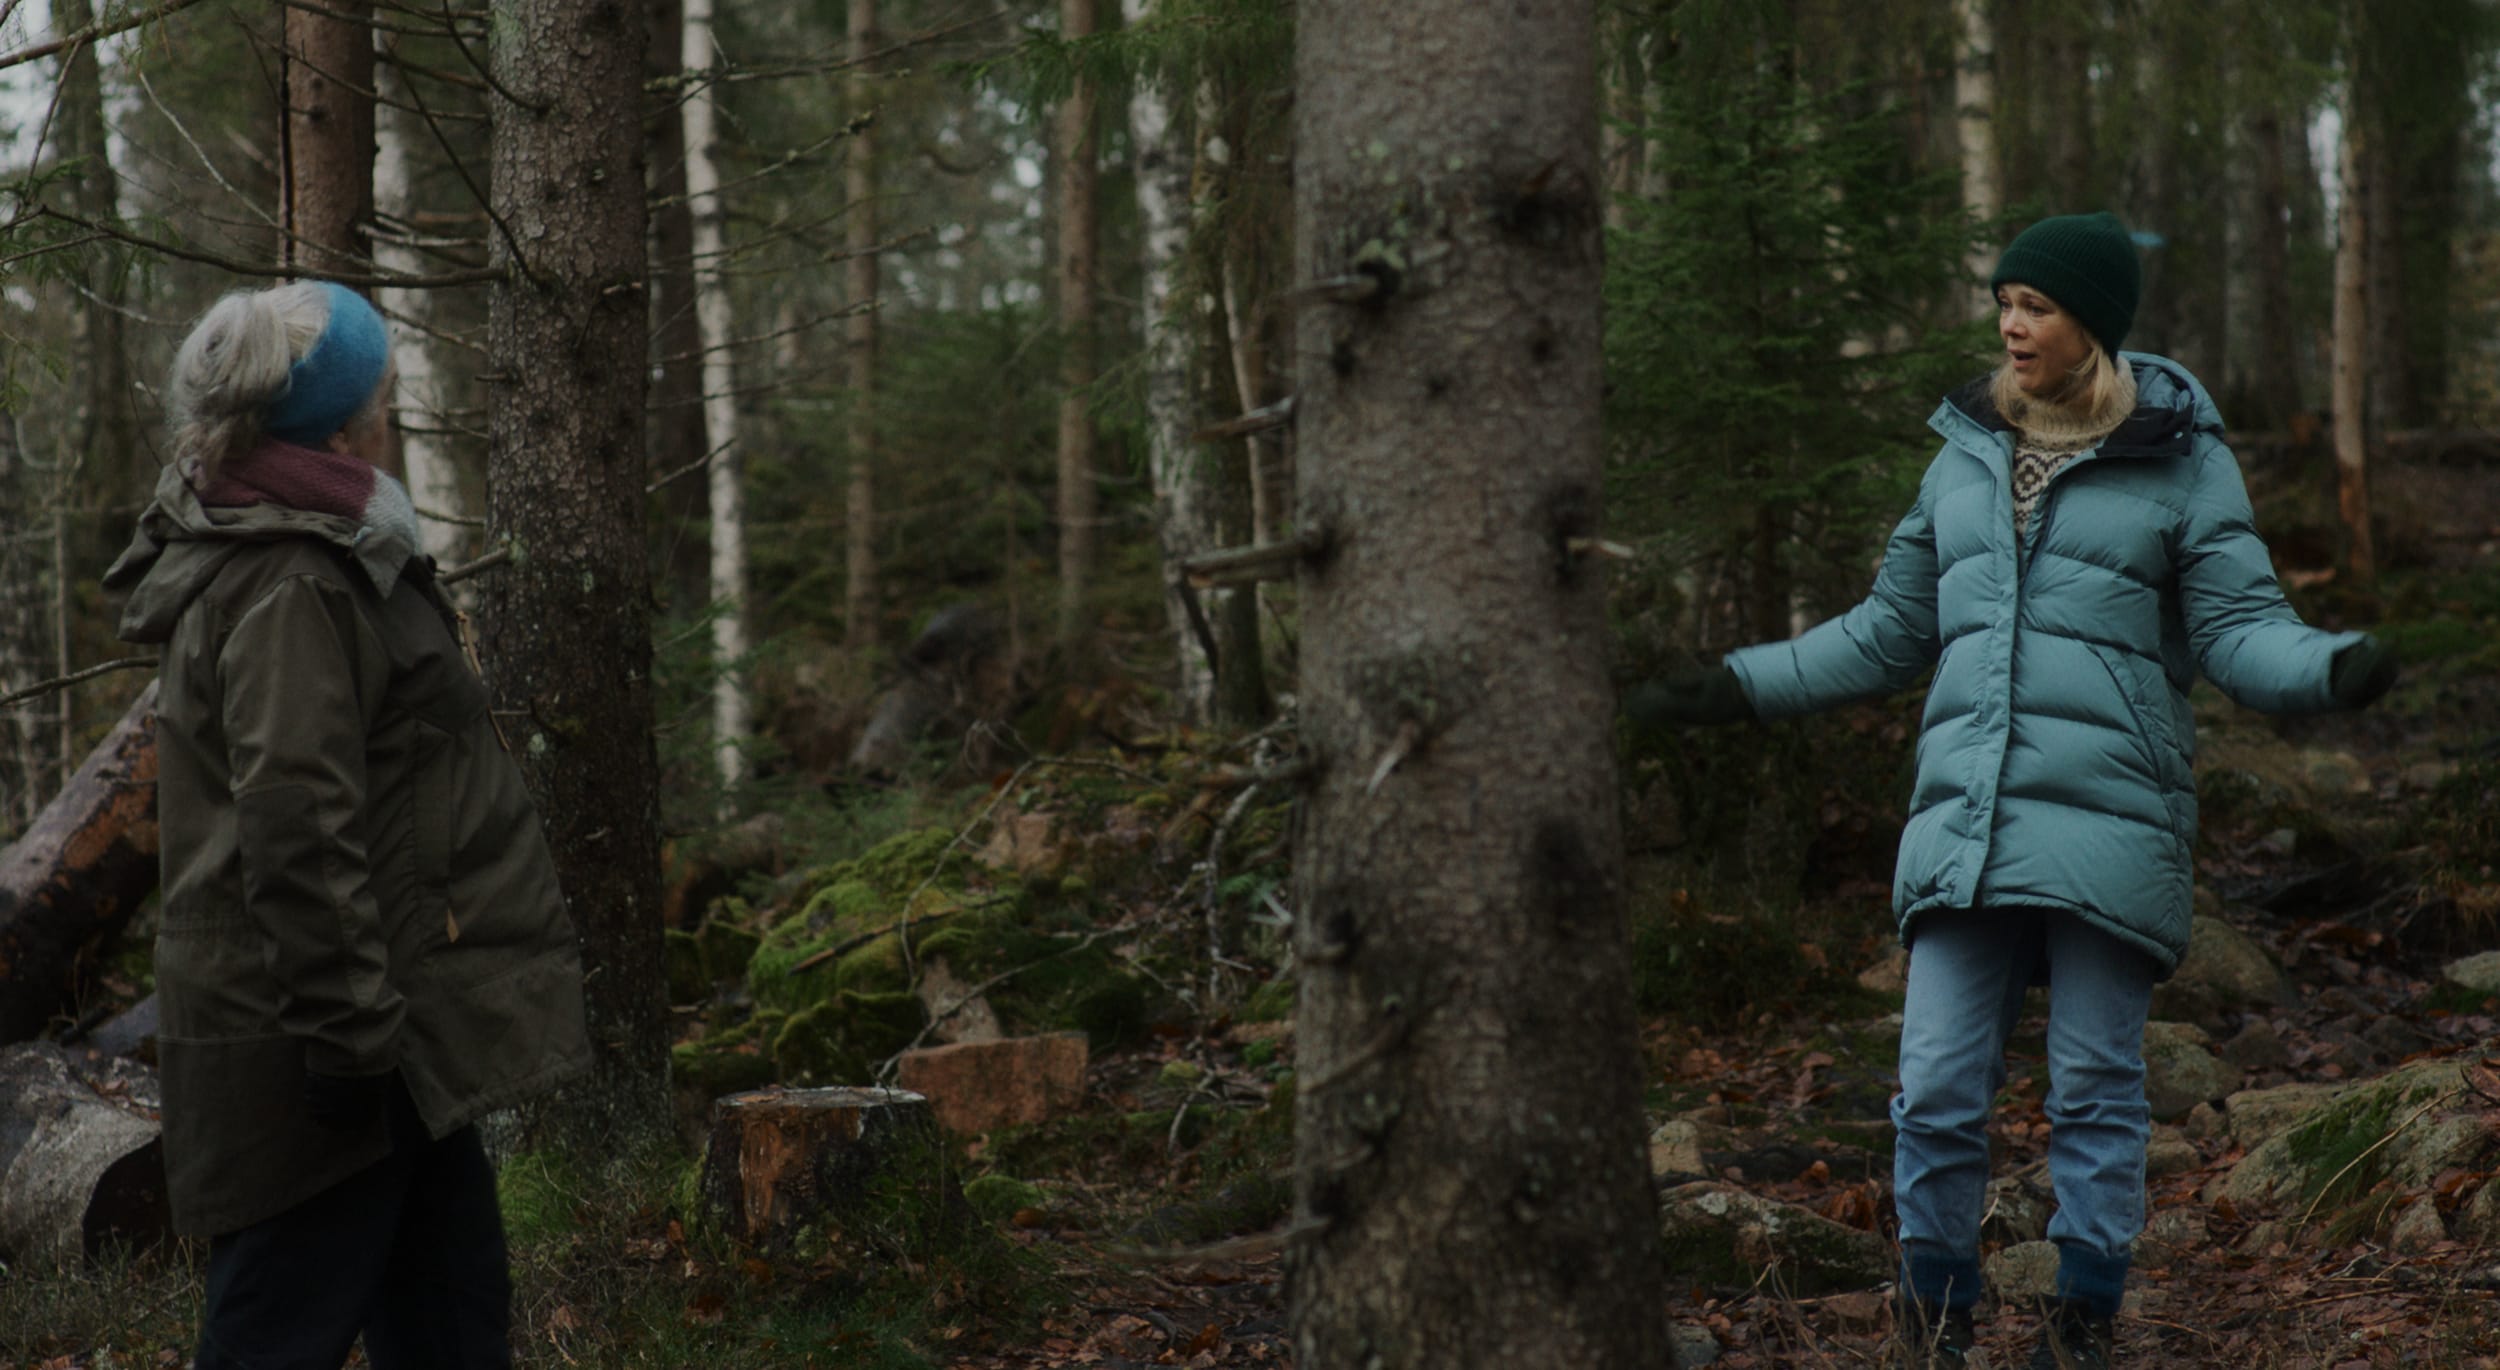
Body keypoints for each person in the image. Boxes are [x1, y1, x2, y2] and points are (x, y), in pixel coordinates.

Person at [1630, 211, 2397, 1369]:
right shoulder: (1963, 451)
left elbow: (2243, 632)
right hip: (1965, 824)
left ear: (2090, 322)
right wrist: (1735, 685)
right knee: (1933, 1085)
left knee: (2093, 1085)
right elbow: (1887, 630)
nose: (2009, 321)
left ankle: (2079, 1317)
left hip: (2111, 819)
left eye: (2034, 304)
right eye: (2004, 300)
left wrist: (2330, 668)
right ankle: (1932, 1318)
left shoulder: (2181, 456)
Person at [104, 280, 593, 1369]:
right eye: (381, 388)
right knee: (277, 1330)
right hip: (325, 1038)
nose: (392, 405)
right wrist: (345, 1036)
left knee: (452, 1315)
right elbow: (296, 820)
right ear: (340, 421)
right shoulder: (291, 580)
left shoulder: (324, 535)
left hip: (394, 1025)